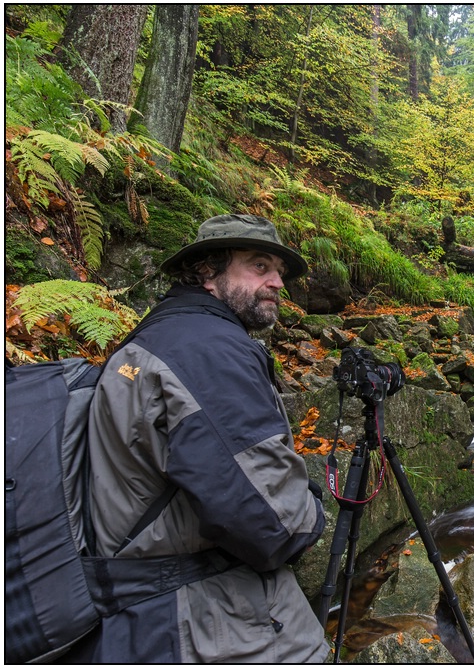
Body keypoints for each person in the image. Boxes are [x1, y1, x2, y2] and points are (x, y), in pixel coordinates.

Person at [70, 214, 330, 662]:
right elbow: (272, 523)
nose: (277, 283)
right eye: (259, 266)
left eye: (279, 273)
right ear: (208, 272)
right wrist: (314, 511)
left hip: (137, 613)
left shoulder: (154, 336)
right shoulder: (209, 350)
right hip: (208, 623)